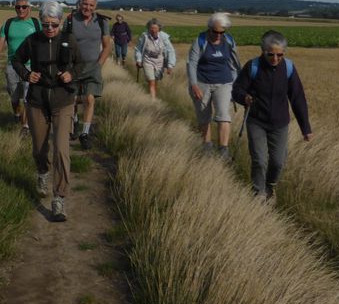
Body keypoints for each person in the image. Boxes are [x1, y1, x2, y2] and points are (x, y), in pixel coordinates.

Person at [11, 0, 83, 221]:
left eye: (54, 24)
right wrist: (26, 75)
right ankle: (42, 172)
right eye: (45, 24)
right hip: (37, 100)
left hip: (63, 100)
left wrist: (72, 74)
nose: (50, 29)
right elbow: (16, 60)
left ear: (61, 22)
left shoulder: (69, 41)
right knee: (39, 149)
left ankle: (59, 199)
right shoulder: (32, 41)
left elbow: (81, 64)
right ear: (40, 23)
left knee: (61, 149)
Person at [231, 30, 313, 202]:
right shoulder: (252, 66)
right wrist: (244, 97)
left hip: (280, 123)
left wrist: (305, 128)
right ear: (263, 51)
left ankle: (270, 187)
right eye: (271, 55)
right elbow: (237, 89)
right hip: (256, 121)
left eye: (279, 55)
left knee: (277, 162)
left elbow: (297, 98)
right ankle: (258, 193)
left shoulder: (289, 68)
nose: (275, 59)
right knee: (260, 160)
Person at [186, 12, 241, 159]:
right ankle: (206, 147)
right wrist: (194, 85)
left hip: (224, 82)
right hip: (202, 82)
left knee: (223, 115)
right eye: (215, 32)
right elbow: (192, 64)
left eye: (222, 32)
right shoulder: (200, 41)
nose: (218, 35)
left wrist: (237, 84)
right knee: (204, 116)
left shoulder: (229, 41)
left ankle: (223, 151)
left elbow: (235, 63)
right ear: (209, 28)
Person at [0, 0, 40, 132]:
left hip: (30, 66)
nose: (20, 9)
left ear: (29, 8)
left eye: (23, 7)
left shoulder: (36, 24)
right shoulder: (8, 24)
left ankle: (25, 126)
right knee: (14, 97)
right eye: (17, 7)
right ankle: (17, 114)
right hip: (12, 66)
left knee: (28, 97)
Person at [64, 0, 111, 150]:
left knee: (89, 99)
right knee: (73, 99)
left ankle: (85, 133)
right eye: (85, 4)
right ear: (80, 3)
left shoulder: (102, 22)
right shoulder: (70, 20)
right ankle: (75, 121)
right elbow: (63, 44)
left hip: (92, 67)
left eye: (91, 5)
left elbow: (106, 47)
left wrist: (99, 64)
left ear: (95, 6)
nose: (87, 7)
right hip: (73, 66)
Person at [134, 18, 176, 99]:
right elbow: (138, 49)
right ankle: (153, 101)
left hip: (160, 61)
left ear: (159, 28)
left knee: (155, 79)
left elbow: (171, 50)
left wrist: (170, 65)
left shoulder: (164, 37)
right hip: (147, 60)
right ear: (149, 28)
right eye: (151, 28)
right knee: (151, 80)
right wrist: (139, 60)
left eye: (155, 28)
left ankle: (152, 93)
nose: (153, 30)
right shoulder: (144, 36)